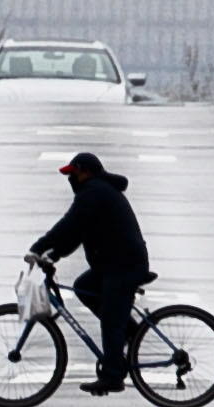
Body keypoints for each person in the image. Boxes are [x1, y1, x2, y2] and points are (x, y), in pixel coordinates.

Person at [25, 152, 151, 394]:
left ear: (85, 172)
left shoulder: (94, 192)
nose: (70, 179)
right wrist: (53, 254)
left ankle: (113, 376)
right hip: (115, 263)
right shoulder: (96, 192)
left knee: (111, 320)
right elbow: (77, 232)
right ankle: (132, 332)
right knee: (86, 287)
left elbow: (70, 225)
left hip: (123, 265)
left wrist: (40, 248)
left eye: (72, 174)